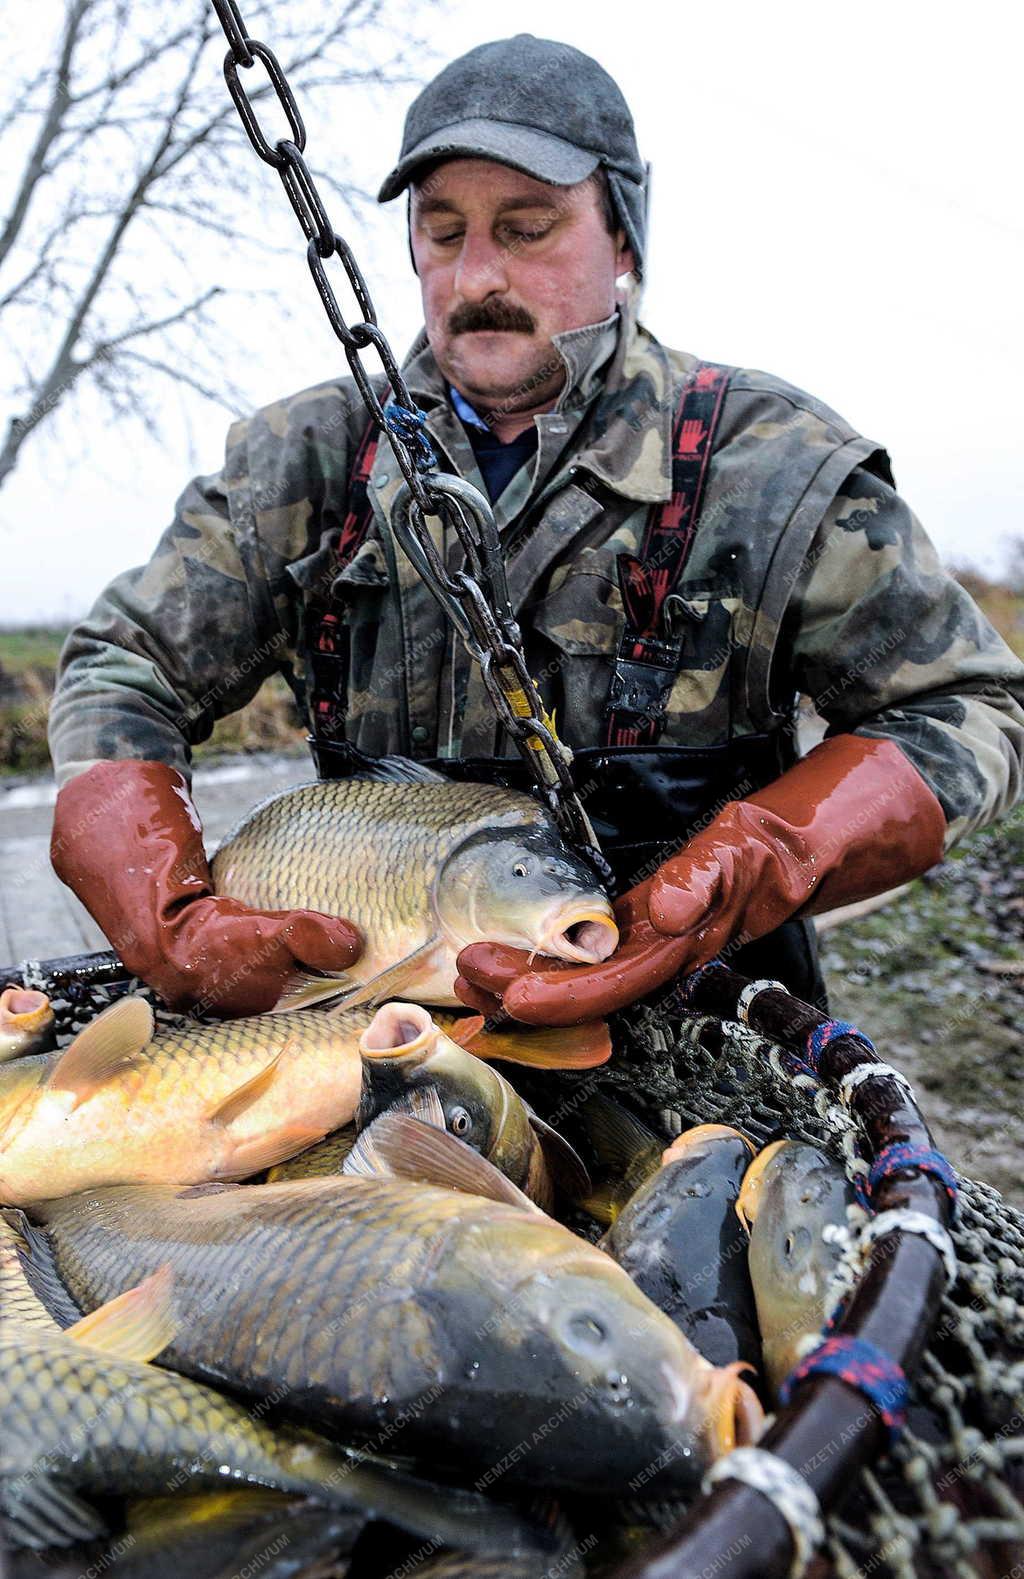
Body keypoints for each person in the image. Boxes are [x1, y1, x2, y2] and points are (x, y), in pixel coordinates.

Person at [47, 35, 1024, 1023]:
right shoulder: (307, 456)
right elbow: (124, 667)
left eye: (526, 228)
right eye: (441, 232)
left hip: (700, 1010)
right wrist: (173, 918)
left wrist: (760, 855)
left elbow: (967, 711)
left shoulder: (771, 465)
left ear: (624, 240)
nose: (475, 276)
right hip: (387, 1018)